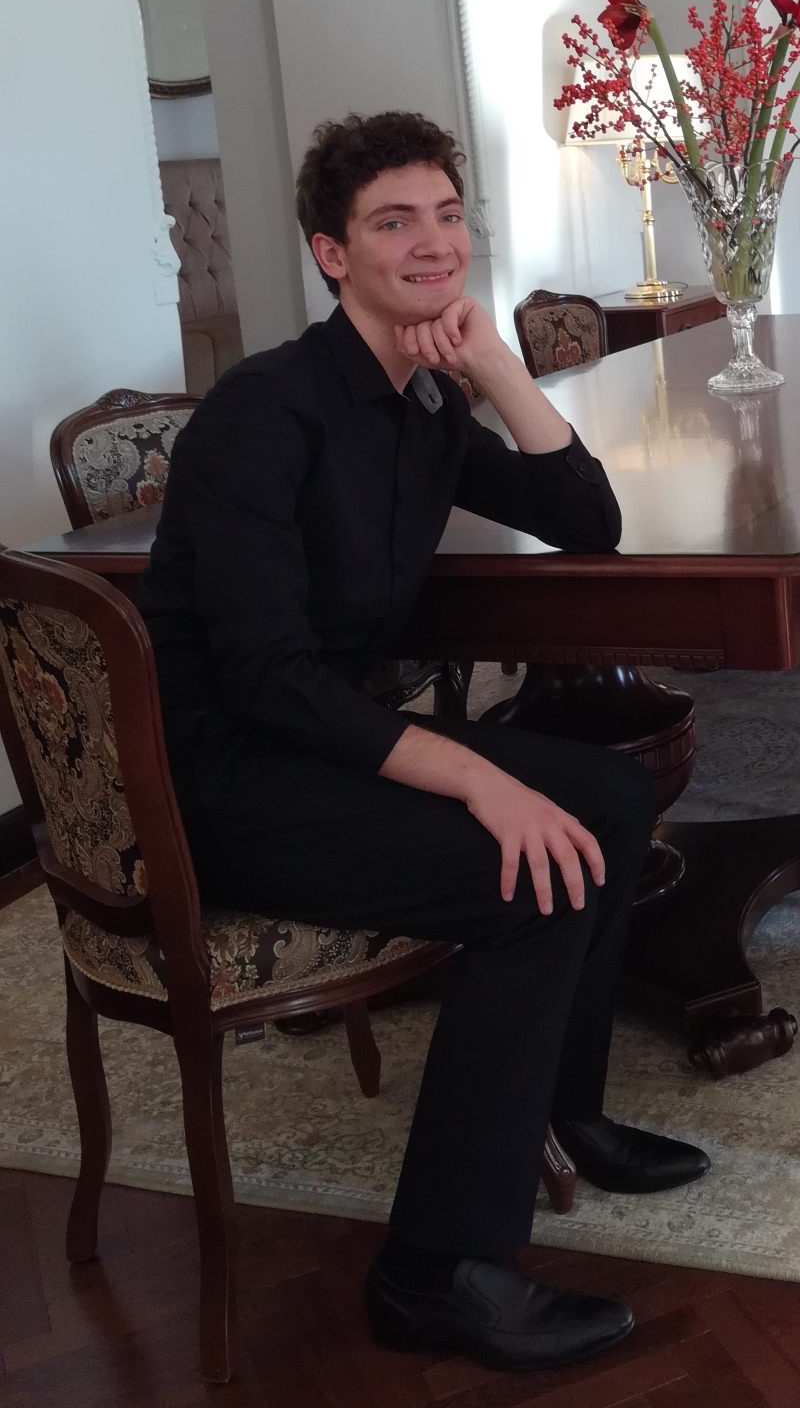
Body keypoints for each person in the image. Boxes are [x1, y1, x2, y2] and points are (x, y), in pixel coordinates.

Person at [139, 111, 709, 1372]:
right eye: (394, 222)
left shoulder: (421, 401)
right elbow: (267, 679)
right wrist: (478, 779)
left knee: (611, 798)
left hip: (321, 749)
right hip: (223, 781)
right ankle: (435, 1272)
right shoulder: (265, 411)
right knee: (532, 876)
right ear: (331, 253)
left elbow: (588, 518)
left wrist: (496, 367)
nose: (433, 243)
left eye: (448, 216)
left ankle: (564, 1113)